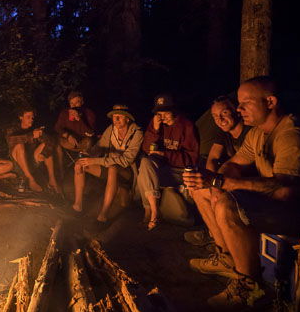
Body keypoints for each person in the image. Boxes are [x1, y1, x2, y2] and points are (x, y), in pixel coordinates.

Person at [183, 76, 300, 312]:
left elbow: (285, 191)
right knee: (202, 190)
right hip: (277, 204)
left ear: (270, 102)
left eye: (246, 103)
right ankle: (227, 257)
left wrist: (226, 185)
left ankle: (250, 286)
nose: (239, 108)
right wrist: (216, 183)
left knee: (227, 204)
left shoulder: (292, 133)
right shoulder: (258, 133)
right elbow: (233, 164)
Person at [185, 96, 251, 246]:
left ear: (237, 111)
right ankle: (221, 245)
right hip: (227, 182)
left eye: (224, 113)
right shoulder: (224, 134)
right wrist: (213, 184)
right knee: (197, 191)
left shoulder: (250, 133)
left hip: (245, 184)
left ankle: (227, 244)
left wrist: (216, 184)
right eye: (215, 116)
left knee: (219, 198)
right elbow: (213, 158)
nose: (219, 119)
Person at [137, 94, 200, 231]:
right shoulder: (156, 124)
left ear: (174, 111)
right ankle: (152, 210)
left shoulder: (187, 126)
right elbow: (146, 149)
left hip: (179, 172)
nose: (162, 116)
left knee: (145, 172)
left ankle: (152, 211)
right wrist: (154, 129)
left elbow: (191, 159)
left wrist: (165, 154)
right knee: (145, 163)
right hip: (162, 169)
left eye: (166, 112)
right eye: (159, 113)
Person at [72, 104, 143, 222]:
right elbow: (100, 146)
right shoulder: (111, 129)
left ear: (127, 118)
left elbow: (126, 160)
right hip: (108, 166)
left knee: (113, 168)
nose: (116, 120)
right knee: (81, 164)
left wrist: (96, 160)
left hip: (127, 173)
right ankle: (77, 206)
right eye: (114, 117)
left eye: (120, 117)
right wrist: (87, 155)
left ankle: (103, 214)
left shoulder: (137, 133)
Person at [6, 106, 62, 194]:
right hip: (19, 166)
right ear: (21, 117)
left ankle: (52, 180)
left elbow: (51, 141)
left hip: (32, 162)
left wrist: (43, 153)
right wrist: (31, 135)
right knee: (20, 146)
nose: (31, 119)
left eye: (32, 117)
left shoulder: (34, 129)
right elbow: (11, 140)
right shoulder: (13, 129)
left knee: (46, 145)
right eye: (28, 117)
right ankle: (30, 179)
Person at [54, 91, 96, 164]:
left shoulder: (89, 113)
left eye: (77, 103)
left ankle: (84, 165)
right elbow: (57, 127)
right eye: (72, 103)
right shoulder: (65, 113)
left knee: (89, 141)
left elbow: (90, 133)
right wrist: (68, 136)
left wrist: (79, 119)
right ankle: (60, 168)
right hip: (69, 142)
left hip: (83, 143)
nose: (74, 106)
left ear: (82, 102)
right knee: (57, 140)